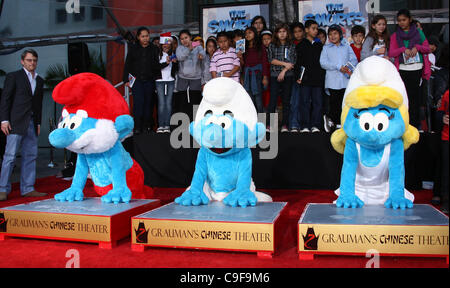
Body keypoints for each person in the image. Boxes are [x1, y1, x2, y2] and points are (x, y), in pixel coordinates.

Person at [0, 49, 46, 201]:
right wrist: (4, 120)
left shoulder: (39, 80)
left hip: (32, 123)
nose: (32, 63)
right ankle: (2, 189)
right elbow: (5, 99)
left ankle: (27, 188)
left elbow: (38, 104)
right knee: (10, 156)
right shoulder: (14, 76)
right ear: (22, 61)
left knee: (31, 156)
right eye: (29, 60)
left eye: (34, 60)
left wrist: (38, 122)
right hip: (15, 123)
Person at [389, 8, 431, 129]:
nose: (401, 22)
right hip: (402, 69)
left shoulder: (418, 32)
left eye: (404, 20)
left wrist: (417, 47)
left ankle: (415, 126)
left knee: (415, 99)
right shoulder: (395, 35)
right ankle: (404, 125)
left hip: (417, 68)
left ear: (410, 19)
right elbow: (391, 52)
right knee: (403, 98)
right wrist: (403, 49)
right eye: (399, 20)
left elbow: (427, 48)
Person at [123, 27, 161, 134]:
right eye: (143, 36)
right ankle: (137, 127)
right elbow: (128, 64)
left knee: (148, 104)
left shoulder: (154, 48)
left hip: (149, 80)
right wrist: (126, 79)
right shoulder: (134, 48)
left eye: (147, 36)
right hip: (137, 81)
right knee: (138, 104)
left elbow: (156, 64)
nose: (145, 38)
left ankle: (147, 126)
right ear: (138, 37)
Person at [320, 24, 358, 130]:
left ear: (340, 35)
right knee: (334, 103)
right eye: (330, 34)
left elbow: (354, 59)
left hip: (345, 80)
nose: (333, 36)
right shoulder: (326, 48)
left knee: (345, 102)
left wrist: (347, 67)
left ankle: (344, 122)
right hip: (333, 81)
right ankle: (335, 123)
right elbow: (323, 63)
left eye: (335, 33)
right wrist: (337, 67)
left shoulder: (346, 46)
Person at [293, 20, 325, 133]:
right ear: (306, 30)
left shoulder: (319, 45)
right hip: (305, 79)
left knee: (317, 103)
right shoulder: (301, 45)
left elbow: (322, 62)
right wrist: (298, 76)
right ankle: (305, 125)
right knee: (304, 102)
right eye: (313, 28)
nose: (315, 31)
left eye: (317, 28)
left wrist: (322, 76)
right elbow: (297, 63)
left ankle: (316, 125)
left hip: (317, 79)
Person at [267, 23, 296, 133]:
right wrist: (284, 64)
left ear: (287, 33)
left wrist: (283, 71)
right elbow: (271, 60)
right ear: (276, 33)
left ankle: (285, 125)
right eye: (280, 32)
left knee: (286, 101)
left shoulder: (291, 45)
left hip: (287, 75)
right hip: (274, 75)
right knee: (273, 100)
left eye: (284, 31)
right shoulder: (272, 45)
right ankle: (270, 125)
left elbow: (293, 61)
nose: (282, 34)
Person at [175, 29, 207, 122]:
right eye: (182, 39)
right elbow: (180, 57)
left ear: (190, 37)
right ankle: (183, 122)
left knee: (195, 101)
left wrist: (201, 55)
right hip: (182, 78)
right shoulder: (179, 48)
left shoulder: (197, 45)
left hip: (196, 77)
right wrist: (189, 49)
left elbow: (203, 53)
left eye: (186, 38)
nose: (184, 40)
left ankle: (195, 121)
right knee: (182, 101)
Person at [242, 26, 270, 113]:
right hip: (247, 75)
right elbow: (243, 64)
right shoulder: (244, 47)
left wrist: (265, 77)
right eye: (246, 34)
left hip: (257, 75)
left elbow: (264, 62)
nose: (247, 35)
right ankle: (253, 121)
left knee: (258, 100)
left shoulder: (260, 46)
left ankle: (261, 122)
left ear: (255, 33)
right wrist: (240, 57)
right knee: (250, 99)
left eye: (250, 33)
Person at [156, 33, 178, 133]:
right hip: (160, 81)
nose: (166, 46)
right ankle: (161, 125)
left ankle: (167, 126)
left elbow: (177, 69)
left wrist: (175, 62)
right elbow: (156, 68)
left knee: (168, 104)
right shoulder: (157, 54)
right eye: (164, 44)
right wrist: (166, 63)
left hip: (170, 81)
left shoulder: (173, 53)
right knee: (161, 104)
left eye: (168, 44)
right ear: (161, 44)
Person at [436, 90, 449, 214]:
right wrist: (442, 118)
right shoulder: (447, 94)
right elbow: (439, 112)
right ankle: (446, 200)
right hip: (447, 137)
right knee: (446, 171)